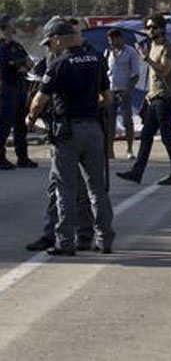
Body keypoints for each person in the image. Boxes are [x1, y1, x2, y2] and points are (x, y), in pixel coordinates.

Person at [26, 17, 115, 255]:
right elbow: (107, 98)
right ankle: (104, 239)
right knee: (97, 188)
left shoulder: (59, 64)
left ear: (57, 39)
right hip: (94, 129)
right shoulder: (96, 59)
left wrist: (30, 118)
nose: (49, 48)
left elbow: (39, 100)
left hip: (67, 132)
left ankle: (64, 242)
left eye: (49, 43)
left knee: (65, 189)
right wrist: (90, 106)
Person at [116, 14, 171, 186]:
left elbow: (164, 71)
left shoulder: (168, 48)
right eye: (148, 27)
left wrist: (146, 58)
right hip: (153, 98)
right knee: (146, 137)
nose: (150, 30)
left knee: (168, 138)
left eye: (153, 27)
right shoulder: (153, 46)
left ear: (162, 29)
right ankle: (137, 172)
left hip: (165, 98)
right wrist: (148, 95)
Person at [0, 14, 36, 169]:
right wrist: (17, 64)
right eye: (12, 24)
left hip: (20, 87)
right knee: (4, 125)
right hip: (5, 88)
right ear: (5, 27)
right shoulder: (1, 46)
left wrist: (17, 64)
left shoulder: (17, 46)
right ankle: (1, 158)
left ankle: (23, 157)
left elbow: (30, 63)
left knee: (21, 124)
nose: (14, 26)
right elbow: (6, 65)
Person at [104, 29, 140, 161]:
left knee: (127, 121)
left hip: (124, 91)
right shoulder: (108, 52)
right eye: (109, 41)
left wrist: (128, 90)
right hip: (111, 91)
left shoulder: (131, 52)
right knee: (109, 121)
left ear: (120, 38)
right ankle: (109, 151)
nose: (111, 43)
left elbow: (135, 74)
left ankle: (129, 149)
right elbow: (106, 72)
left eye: (113, 40)